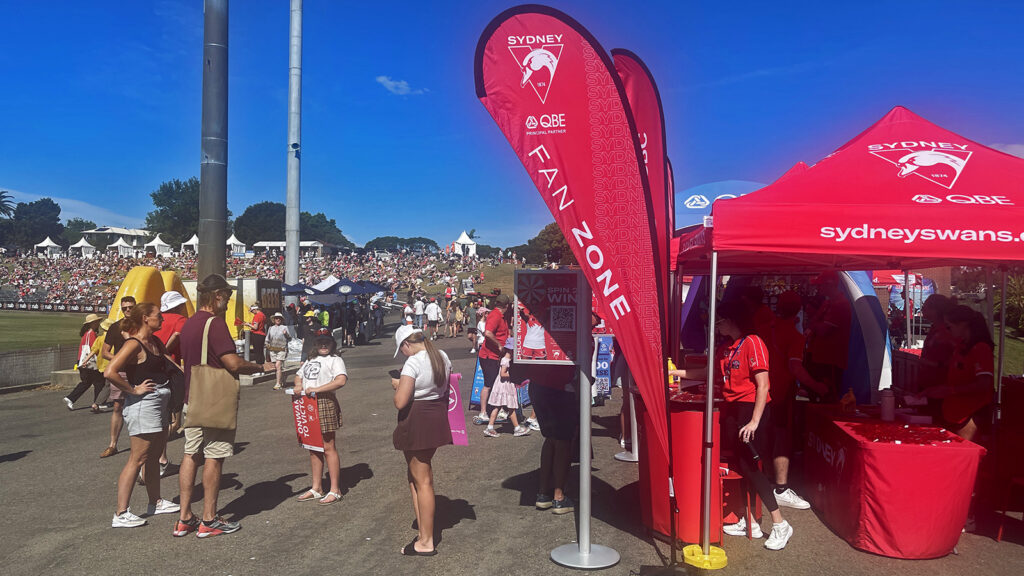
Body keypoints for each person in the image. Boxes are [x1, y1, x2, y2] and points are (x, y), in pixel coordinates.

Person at [671, 301, 794, 550]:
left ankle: (780, 523)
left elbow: (764, 385)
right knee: (740, 465)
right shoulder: (726, 348)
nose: (718, 324)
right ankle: (749, 520)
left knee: (752, 467)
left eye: (722, 320)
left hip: (751, 411)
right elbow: (708, 372)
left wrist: (755, 421)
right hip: (732, 411)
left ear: (735, 320)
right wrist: (676, 373)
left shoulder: (753, 342)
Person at [175, 274, 275, 538]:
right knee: (214, 457)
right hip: (214, 400)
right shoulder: (215, 324)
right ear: (217, 295)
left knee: (190, 454)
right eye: (228, 297)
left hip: (192, 397)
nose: (229, 302)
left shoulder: (189, 324)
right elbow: (232, 363)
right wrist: (259, 366)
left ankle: (184, 517)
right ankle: (209, 518)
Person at [104, 302, 181, 527]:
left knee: (154, 456)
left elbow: (171, 364)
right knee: (137, 458)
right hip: (143, 404)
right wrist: (133, 390)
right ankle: (121, 513)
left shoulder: (155, 341)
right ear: (146, 318)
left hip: (159, 402)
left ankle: (155, 502)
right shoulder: (133, 344)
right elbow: (110, 371)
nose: (163, 319)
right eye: (159, 316)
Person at [391, 326, 452, 556]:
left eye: (402, 349)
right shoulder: (441, 356)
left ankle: (426, 541)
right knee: (416, 475)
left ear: (407, 344)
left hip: (417, 419)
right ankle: (423, 533)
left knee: (423, 479)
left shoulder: (413, 362)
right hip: (437, 415)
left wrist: (398, 385)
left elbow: (400, 401)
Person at [767, 291, 823, 510]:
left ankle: (766, 478)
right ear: (798, 311)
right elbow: (795, 368)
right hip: (780, 393)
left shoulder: (767, 327)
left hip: (762, 391)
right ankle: (780, 488)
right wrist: (816, 386)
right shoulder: (794, 336)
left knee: (768, 434)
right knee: (782, 438)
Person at [918, 305, 994, 441]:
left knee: (966, 454)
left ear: (963, 325)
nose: (948, 331)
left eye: (949, 327)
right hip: (955, 413)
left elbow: (984, 384)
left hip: (970, 414)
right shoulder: (961, 347)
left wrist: (950, 390)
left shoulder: (980, 348)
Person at [294, 334, 348, 505]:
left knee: (328, 446)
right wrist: (298, 385)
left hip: (324, 401)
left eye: (327, 342)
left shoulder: (335, 360)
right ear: (315, 344)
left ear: (332, 344)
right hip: (307, 402)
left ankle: (335, 489)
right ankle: (316, 487)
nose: (323, 345)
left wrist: (318, 389)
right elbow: (298, 375)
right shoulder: (311, 360)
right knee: (312, 446)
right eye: (320, 342)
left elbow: (341, 380)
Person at [527, 363, 577, 514]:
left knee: (550, 438)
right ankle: (558, 496)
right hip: (561, 386)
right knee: (563, 440)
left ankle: (543, 494)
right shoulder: (568, 338)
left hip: (538, 385)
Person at [804, 272, 851, 403]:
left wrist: (815, 324)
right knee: (816, 395)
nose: (818, 289)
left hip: (831, 360)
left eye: (820, 286)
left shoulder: (840, 305)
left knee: (828, 396)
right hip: (820, 358)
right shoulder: (828, 303)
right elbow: (813, 324)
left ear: (829, 285)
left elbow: (822, 329)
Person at [100, 296, 136, 458]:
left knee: (138, 407)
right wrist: (119, 359)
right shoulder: (115, 327)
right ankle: (113, 444)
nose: (127, 310)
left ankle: (139, 442)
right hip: (121, 371)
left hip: (138, 371)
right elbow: (105, 351)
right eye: (124, 308)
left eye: (130, 307)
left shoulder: (141, 325)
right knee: (117, 406)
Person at [474, 294, 511, 425]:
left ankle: (497, 409)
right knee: (490, 384)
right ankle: (484, 412)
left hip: (494, 355)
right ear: (507, 306)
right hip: (489, 355)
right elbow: (488, 333)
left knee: (494, 383)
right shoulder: (495, 315)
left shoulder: (500, 315)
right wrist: (499, 345)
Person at [483, 338, 530, 438]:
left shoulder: (506, 359)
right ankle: (517, 428)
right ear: (511, 350)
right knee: (510, 407)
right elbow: (502, 374)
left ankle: (490, 427)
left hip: (502, 385)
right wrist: (514, 374)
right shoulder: (506, 360)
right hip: (505, 386)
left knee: (498, 406)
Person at [64, 313, 105, 413]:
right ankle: (98, 403)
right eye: (97, 322)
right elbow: (93, 348)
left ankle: (71, 398)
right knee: (99, 382)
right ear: (93, 323)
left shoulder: (87, 333)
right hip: (88, 363)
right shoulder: (91, 334)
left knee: (87, 383)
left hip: (83, 362)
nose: (98, 323)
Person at [265, 312, 292, 390]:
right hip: (273, 349)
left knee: (278, 366)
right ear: (274, 319)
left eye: (279, 318)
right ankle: (282, 380)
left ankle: (278, 384)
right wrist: (266, 344)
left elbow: (290, 338)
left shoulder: (285, 327)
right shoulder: (271, 328)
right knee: (276, 367)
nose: (278, 319)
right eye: (276, 318)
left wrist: (286, 334)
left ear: (281, 320)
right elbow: (268, 338)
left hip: (282, 349)